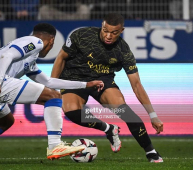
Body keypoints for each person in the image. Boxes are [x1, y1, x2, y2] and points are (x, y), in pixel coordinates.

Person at [0, 23, 104, 166]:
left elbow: (49, 82)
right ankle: (55, 145)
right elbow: (7, 56)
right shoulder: (34, 42)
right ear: (51, 41)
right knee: (54, 97)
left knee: (5, 121)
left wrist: (86, 84)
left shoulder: (29, 61)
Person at [51, 13, 164, 163]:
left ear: (121, 31)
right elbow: (61, 57)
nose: (108, 36)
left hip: (102, 80)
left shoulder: (123, 50)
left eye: (114, 32)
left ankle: (151, 152)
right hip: (74, 78)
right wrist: (53, 85)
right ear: (102, 26)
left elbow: (136, 85)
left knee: (125, 111)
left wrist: (153, 115)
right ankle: (108, 129)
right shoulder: (82, 35)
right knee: (71, 111)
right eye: (105, 30)